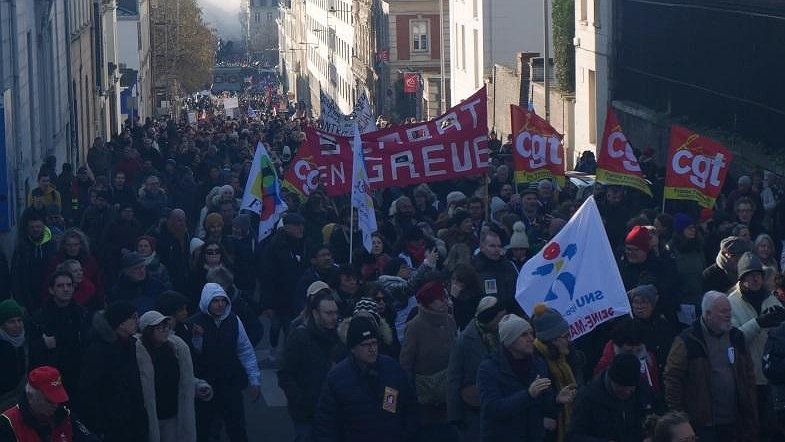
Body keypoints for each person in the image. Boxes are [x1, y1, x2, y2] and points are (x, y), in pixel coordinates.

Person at [663, 291, 758, 442]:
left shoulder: (736, 337)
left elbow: (748, 372)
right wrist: (679, 416)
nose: (728, 315)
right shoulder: (688, 341)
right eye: (723, 311)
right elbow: (672, 378)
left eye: (729, 310)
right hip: (703, 424)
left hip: (736, 420)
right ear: (708, 314)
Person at [312, 316, 418, 442]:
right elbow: (326, 424)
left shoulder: (392, 369)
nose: (372, 349)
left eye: (374, 343)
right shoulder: (336, 379)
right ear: (353, 348)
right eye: (366, 345)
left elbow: (410, 407)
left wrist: (406, 435)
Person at [476, 313, 575, 441]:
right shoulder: (489, 368)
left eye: (531, 333)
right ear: (510, 340)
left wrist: (557, 401)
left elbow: (544, 405)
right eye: (524, 335)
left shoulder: (538, 364)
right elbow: (492, 409)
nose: (531, 338)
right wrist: (528, 395)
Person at [191, 283, 261, 442]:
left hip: (230, 383)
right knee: (204, 428)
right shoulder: (194, 323)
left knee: (237, 427)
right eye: (215, 301)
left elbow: (245, 350)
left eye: (223, 300)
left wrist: (254, 380)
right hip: (205, 385)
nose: (220, 304)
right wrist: (197, 339)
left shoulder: (233, 320)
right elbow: (193, 355)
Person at [727, 252, 785, 439]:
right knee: (752, 429)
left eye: (758, 275)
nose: (755, 279)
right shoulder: (731, 303)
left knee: (773, 429)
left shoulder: (771, 299)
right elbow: (734, 339)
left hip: (771, 376)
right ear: (742, 278)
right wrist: (759, 323)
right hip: (746, 377)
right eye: (750, 275)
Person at [136, 311, 213, 442]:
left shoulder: (176, 349)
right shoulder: (138, 354)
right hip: (147, 416)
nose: (164, 330)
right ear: (148, 331)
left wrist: (198, 386)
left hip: (171, 414)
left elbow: (183, 378)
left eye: (166, 326)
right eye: (159, 328)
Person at [79, 301, 149, 442]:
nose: (138, 320)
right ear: (121, 323)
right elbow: (89, 390)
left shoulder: (130, 345)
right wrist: (100, 425)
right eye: (133, 317)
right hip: (110, 425)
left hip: (132, 420)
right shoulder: (98, 350)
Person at [278, 290, 342, 442]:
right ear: (315, 313)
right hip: (306, 413)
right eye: (328, 313)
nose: (334, 317)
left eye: (335, 313)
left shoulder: (339, 337)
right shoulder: (299, 337)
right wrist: (301, 401)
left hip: (332, 410)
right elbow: (285, 374)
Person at [399, 280, 458, 441]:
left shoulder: (450, 320)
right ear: (429, 302)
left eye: (445, 297)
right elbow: (406, 363)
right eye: (440, 299)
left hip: (450, 394)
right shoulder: (414, 327)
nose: (445, 301)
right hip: (427, 400)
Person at [447, 296, 506, 441]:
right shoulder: (463, 342)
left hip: (499, 403)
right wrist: (456, 417)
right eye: (500, 317)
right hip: (473, 409)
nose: (504, 321)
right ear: (491, 318)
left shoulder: (501, 334)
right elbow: (453, 379)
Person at [27, 271, 87, 399]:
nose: (65, 289)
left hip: (78, 376)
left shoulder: (82, 315)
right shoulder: (39, 318)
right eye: (60, 286)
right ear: (51, 290)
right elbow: (29, 350)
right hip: (51, 378)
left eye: (69, 285)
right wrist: (43, 345)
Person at [568, 353, 651, 442]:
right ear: (611, 380)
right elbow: (573, 436)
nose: (626, 392)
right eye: (621, 389)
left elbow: (656, 412)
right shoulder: (588, 397)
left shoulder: (642, 389)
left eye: (630, 389)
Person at [0, 366, 97, 441]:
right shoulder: (8, 424)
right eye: (49, 401)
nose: (55, 405)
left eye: (58, 399)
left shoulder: (64, 416)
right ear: (30, 396)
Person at [259, 212, 310, 354]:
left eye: (301, 225)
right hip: (280, 298)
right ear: (286, 227)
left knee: (292, 329)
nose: (300, 228)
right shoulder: (275, 247)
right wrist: (267, 303)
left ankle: (290, 357)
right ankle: (273, 351)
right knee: (276, 326)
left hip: (298, 297)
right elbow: (267, 277)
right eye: (296, 225)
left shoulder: (305, 244)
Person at [530, 303, 578, 442]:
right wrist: (554, 404)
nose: (569, 340)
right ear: (552, 339)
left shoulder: (568, 355)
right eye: (565, 336)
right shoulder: (534, 362)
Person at [10, 212, 57, 311]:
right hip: (27, 299)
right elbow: (15, 277)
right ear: (27, 228)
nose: (35, 229)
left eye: (38, 226)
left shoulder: (52, 246)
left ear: (43, 227)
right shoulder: (21, 248)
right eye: (32, 227)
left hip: (49, 297)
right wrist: (20, 302)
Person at [471, 231, 519, 313]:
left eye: (499, 246)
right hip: (485, 315)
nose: (496, 249)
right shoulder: (474, 268)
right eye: (492, 246)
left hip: (509, 313)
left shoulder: (509, 266)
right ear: (482, 247)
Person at [0, 299, 26, 410]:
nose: (17, 325)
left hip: (23, 401)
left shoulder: (29, 342)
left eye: (19, 320)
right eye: (11, 321)